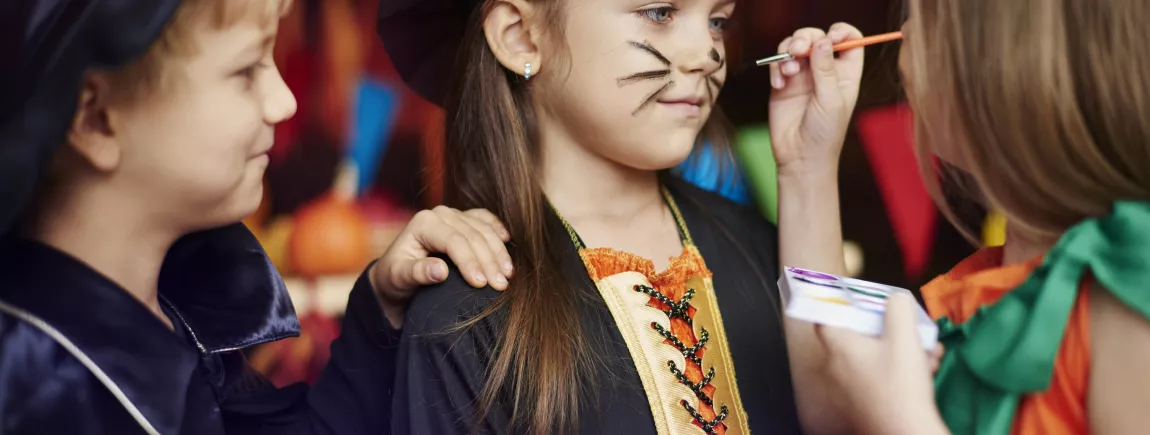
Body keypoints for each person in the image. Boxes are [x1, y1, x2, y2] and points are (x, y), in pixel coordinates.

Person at [0, 1, 512, 434]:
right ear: (96, 118)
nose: (284, 102)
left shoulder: (180, 312)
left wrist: (378, 308)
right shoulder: (37, 388)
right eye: (246, 71)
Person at [370, 0, 872, 431]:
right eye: (659, 12)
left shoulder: (756, 248)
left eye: (718, 20)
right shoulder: (466, 312)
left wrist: (809, 171)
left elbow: (842, 415)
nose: (708, 54)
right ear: (521, 37)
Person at [764, 0, 1150, 433]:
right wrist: (806, 167)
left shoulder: (1131, 278)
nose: (905, 36)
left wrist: (903, 421)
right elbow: (836, 411)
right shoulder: (989, 288)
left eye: (926, 18)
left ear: (1010, 60)